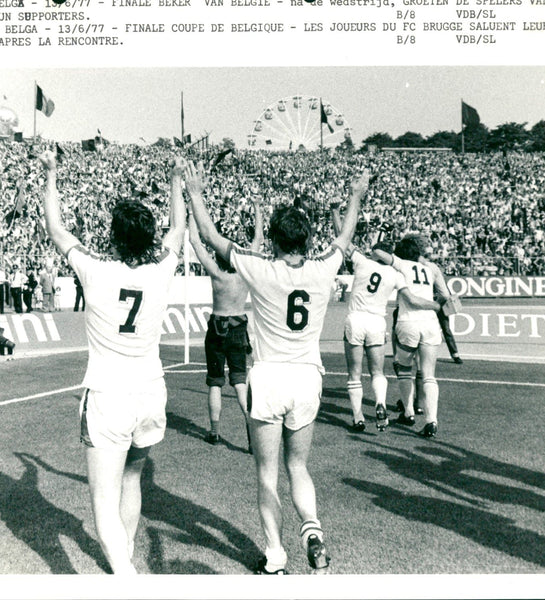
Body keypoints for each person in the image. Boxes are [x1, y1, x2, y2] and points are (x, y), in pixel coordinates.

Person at [186, 159, 369, 575]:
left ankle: (275, 556)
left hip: (268, 379)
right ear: (306, 239)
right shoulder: (324, 268)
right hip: (307, 377)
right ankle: (312, 530)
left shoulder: (260, 267)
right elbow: (345, 235)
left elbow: (212, 237)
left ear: (272, 238)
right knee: (298, 466)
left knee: (266, 472)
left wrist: (196, 193)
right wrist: (355, 195)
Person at [41, 150, 185, 575]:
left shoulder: (95, 270)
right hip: (150, 391)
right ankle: (124, 561)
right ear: (149, 237)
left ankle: (126, 576)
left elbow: (56, 228)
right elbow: (179, 229)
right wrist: (175, 180)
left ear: (115, 237)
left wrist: (51, 174)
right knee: (131, 482)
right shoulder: (162, 269)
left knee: (103, 501)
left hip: (108, 394)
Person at [341, 240, 442, 433]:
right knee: (423, 374)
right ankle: (430, 419)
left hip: (371, 320)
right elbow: (437, 294)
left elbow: (346, 242)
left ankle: (362, 417)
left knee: (360, 373)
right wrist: (437, 305)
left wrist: (336, 213)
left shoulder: (383, 264)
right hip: (403, 323)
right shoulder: (422, 270)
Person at [187, 202, 261, 450]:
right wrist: (258, 210)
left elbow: (197, 244)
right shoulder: (245, 274)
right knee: (240, 383)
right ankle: (252, 432)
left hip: (218, 326)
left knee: (215, 382)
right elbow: (257, 242)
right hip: (238, 327)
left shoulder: (217, 274)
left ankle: (215, 432)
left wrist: (191, 215)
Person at [379, 236, 457, 438]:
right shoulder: (431, 268)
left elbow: (378, 253)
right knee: (429, 374)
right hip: (430, 323)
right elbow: (446, 296)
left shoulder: (401, 264)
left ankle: (408, 412)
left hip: (408, 322)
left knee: (404, 369)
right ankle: (432, 420)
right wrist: (434, 303)